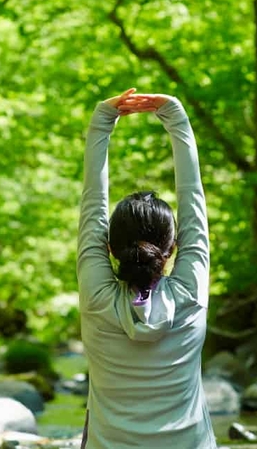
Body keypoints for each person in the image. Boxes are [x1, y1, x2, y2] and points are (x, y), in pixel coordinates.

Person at [77, 88, 216, 448]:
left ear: (109, 248)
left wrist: (102, 121)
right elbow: (193, 200)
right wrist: (176, 117)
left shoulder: (98, 298)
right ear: (174, 247)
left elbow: (92, 206)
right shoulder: (189, 295)